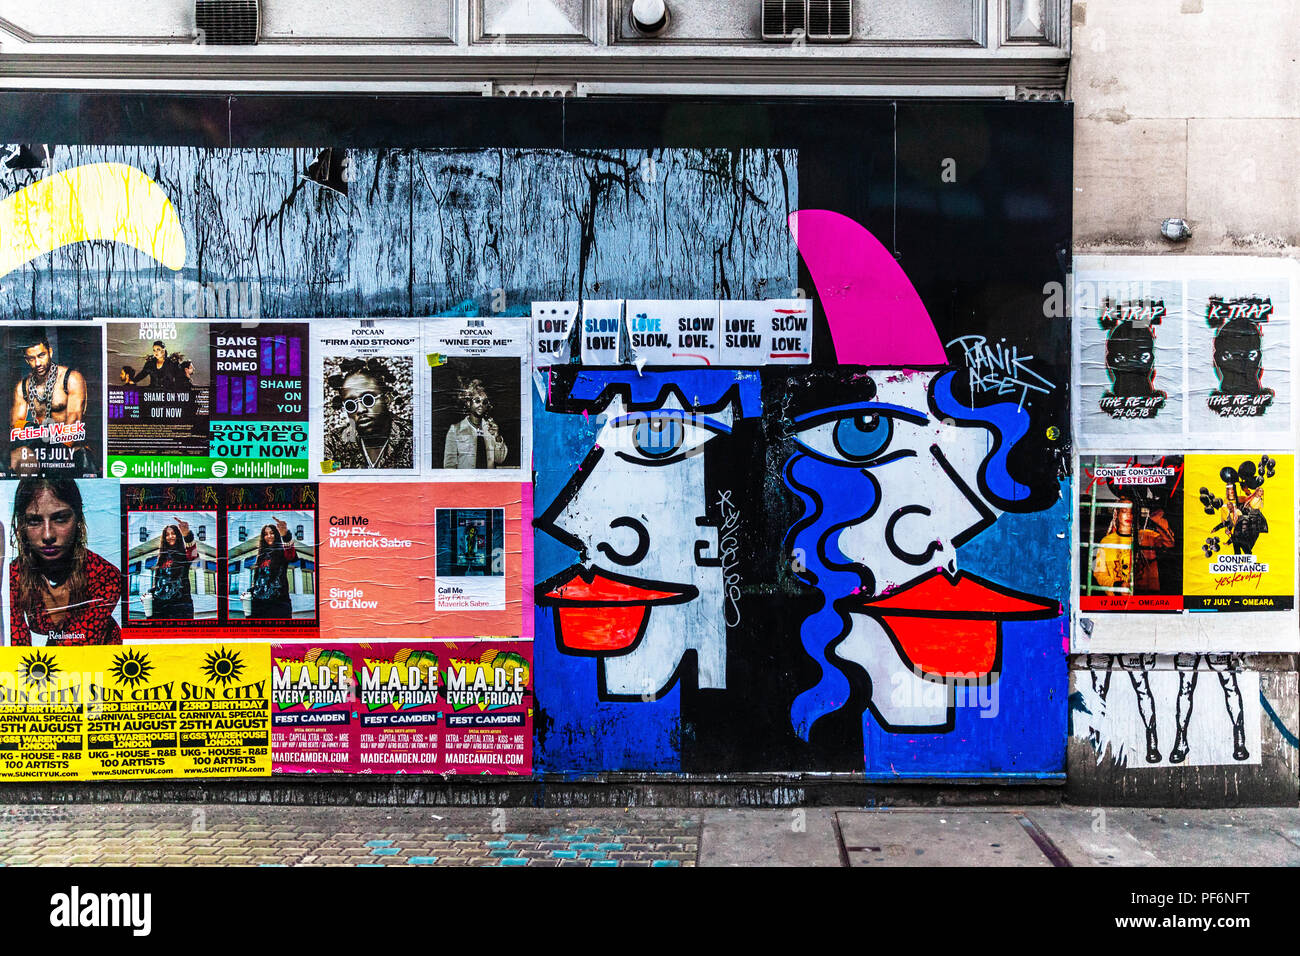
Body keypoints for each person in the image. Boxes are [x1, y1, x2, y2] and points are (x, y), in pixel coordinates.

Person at [9, 478, 121, 645]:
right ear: (21, 525)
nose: (48, 535)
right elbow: (16, 650)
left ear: (78, 519)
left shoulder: (105, 575)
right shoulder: (12, 576)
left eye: (60, 518)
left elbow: (73, 648)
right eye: (35, 521)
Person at [9, 330, 92, 476]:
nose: (38, 363)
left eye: (41, 355)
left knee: (78, 458)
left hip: (69, 445)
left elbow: (74, 420)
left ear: (50, 352)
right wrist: (39, 433)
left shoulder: (71, 379)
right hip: (38, 445)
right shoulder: (22, 387)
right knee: (15, 457)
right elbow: (15, 424)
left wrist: (59, 453)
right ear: (26, 360)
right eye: (32, 358)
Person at [323, 357, 412, 470]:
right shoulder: (333, 444)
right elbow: (325, 475)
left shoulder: (412, 437)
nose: (360, 410)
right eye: (351, 405)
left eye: (368, 400)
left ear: (387, 398)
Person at [443, 378, 507, 469]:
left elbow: (500, 459)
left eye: (484, 402)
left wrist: (497, 437)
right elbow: (449, 465)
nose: (481, 405)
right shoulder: (456, 429)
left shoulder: (490, 428)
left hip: (488, 481)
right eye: (477, 401)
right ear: (468, 403)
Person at [246, 517, 298, 620]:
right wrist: (250, 591)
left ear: (277, 534)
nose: (269, 536)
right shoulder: (261, 555)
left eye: (272, 533)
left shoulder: (281, 551)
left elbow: (291, 557)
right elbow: (259, 579)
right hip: (258, 604)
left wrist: (286, 535)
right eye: (266, 534)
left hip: (278, 604)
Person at [148, 518, 198, 620]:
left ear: (178, 536)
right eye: (167, 534)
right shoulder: (161, 559)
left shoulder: (183, 554)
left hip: (180, 607)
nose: (170, 536)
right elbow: (158, 583)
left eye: (173, 533)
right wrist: (149, 594)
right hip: (159, 607)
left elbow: (193, 554)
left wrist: (187, 535)